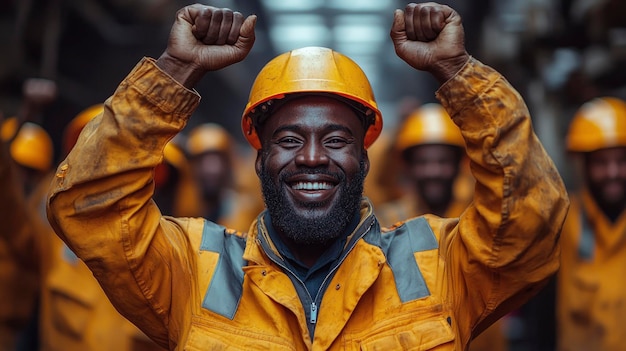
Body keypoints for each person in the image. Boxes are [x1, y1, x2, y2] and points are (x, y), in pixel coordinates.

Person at [46, 3, 569, 350]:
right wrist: (173, 72)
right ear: (259, 159)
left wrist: (459, 73)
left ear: (365, 158)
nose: (313, 157)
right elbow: (91, 208)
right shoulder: (193, 273)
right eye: (289, 140)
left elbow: (530, 224)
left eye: (337, 140)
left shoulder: (438, 266)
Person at [375, 103, 507, 351]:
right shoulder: (389, 220)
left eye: (442, 161)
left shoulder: (478, 214)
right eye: (423, 161)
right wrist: (395, 138)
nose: (432, 170)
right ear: (407, 167)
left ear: (459, 164)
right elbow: (377, 181)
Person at [557, 96, 626, 351]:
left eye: (621, 161)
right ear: (583, 166)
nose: (613, 172)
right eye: (601, 162)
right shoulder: (562, 223)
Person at [186, 123, 263, 232]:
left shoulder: (244, 211)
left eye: (217, 161)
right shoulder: (183, 207)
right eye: (203, 161)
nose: (211, 169)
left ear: (228, 165)